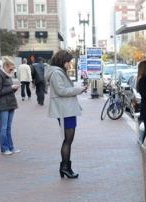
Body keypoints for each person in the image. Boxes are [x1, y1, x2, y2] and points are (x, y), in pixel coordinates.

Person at [45, 50, 86, 178]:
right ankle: (65, 167)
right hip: (65, 109)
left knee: (68, 139)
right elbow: (61, 90)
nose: (69, 64)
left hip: (66, 108)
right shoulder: (57, 73)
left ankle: (65, 167)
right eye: (68, 62)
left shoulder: (58, 72)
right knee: (68, 139)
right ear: (62, 61)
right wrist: (78, 90)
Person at [0, 56, 20, 155]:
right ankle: (4, 148)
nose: (11, 71)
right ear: (5, 67)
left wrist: (14, 88)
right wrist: (11, 88)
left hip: (10, 103)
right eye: (10, 69)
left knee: (8, 127)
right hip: (4, 104)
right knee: (3, 128)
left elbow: (7, 89)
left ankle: (10, 147)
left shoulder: (7, 75)